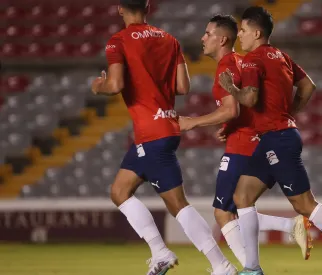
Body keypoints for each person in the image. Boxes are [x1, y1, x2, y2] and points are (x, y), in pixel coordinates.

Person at [218, 6, 322, 275]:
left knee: (304, 204)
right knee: (242, 196)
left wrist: (231, 88)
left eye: (242, 30)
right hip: (275, 137)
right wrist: (290, 112)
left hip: (277, 139)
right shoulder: (281, 56)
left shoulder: (254, 59)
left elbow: (251, 98)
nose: (239, 35)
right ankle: (252, 268)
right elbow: (308, 86)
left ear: (256, 33)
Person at [90, 1, 237, 274]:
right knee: (119, 191)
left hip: (151, 134)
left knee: (178, 205)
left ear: (119, 8)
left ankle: (221, 265)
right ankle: (160, 252)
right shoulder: (169, 39)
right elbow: (183, 86)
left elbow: (116, 84)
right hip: (165, 127)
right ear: (147, 6)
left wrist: (99, 86)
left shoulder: (117, 41)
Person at [178, 14, 313, 267]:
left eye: (208, 34)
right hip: (257, 140)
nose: (202, 38)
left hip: (244, 146)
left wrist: (191, 122)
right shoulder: (243, 61)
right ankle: (257, 260)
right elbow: (248, 108)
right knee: (236, 209)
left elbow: (233, 109)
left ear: (223, 39)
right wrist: (230, 126)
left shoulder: (227, 65)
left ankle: (251, 268)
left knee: (223, 212)